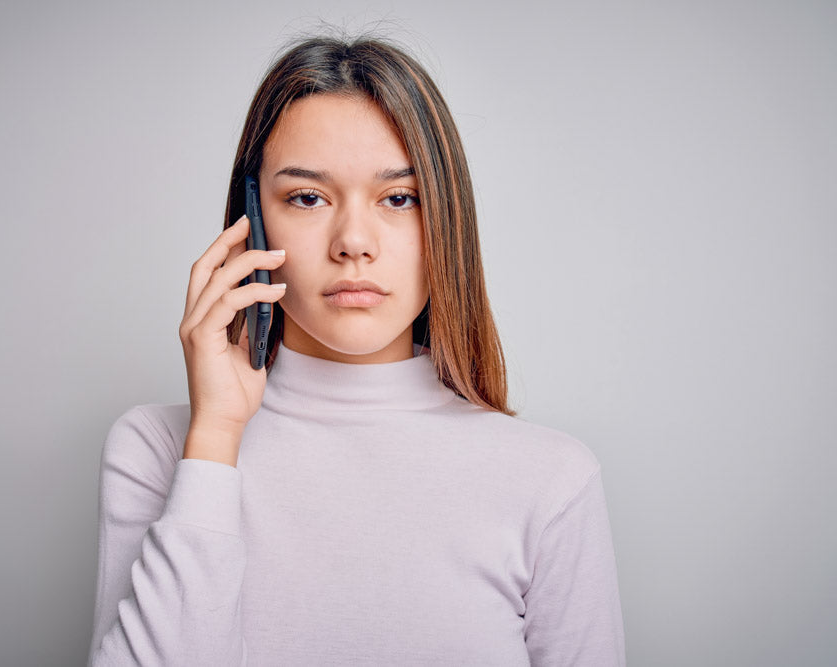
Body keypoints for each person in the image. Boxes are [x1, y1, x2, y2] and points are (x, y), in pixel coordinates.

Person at [89, 34, 625, 666]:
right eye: (307, 197)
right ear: (251, 221)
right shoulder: (158, 450)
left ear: (445, 222)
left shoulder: (551, 479)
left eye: (398, 198)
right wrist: (215, 437)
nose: (353, 243)